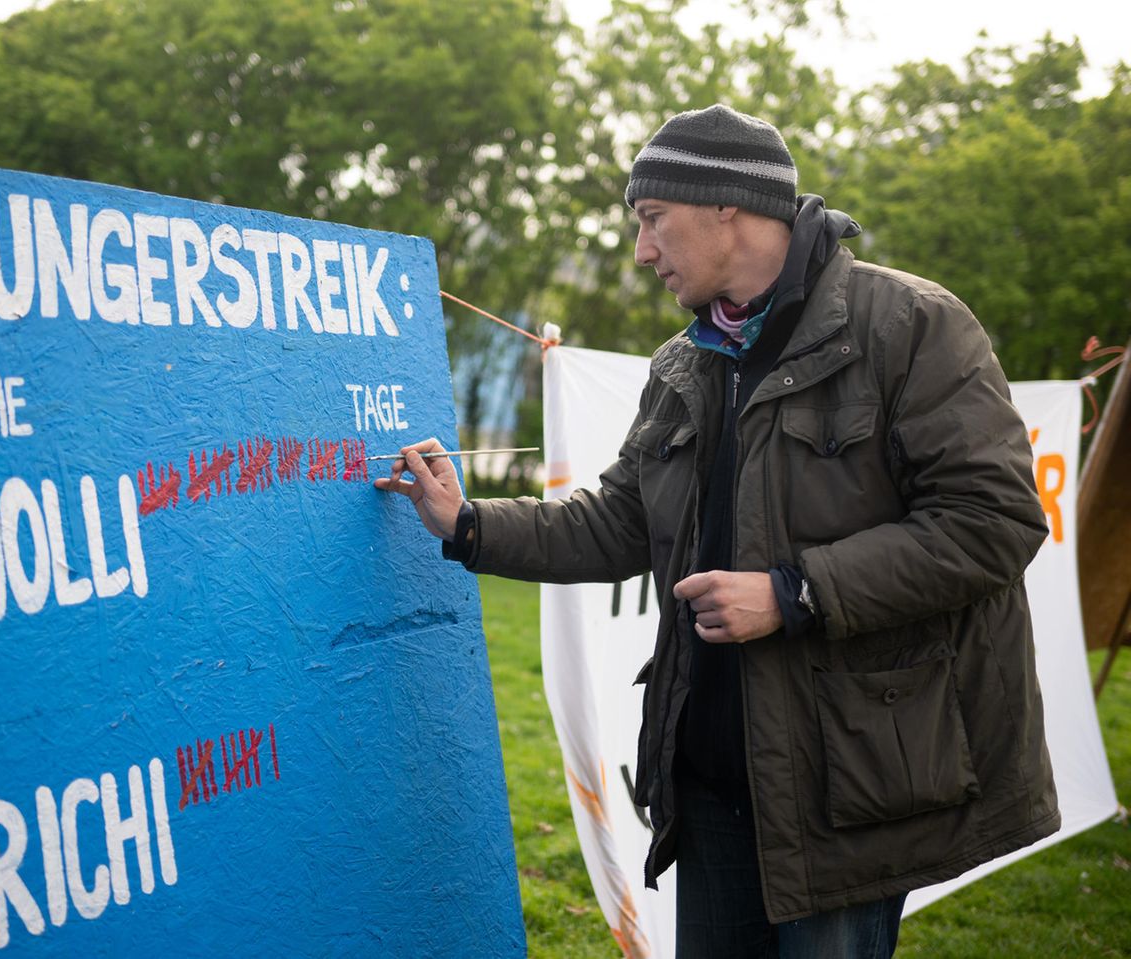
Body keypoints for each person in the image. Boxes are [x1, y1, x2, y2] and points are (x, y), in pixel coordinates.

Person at [375, 105, 1059, 958]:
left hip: (843, 793)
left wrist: (792, 592)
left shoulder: (912, 326)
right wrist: (468, 522)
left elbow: (992, 522)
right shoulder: (684, 362)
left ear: (728, 205)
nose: (642, 252)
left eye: (653, 220)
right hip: (705, 786)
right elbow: (618, 521)